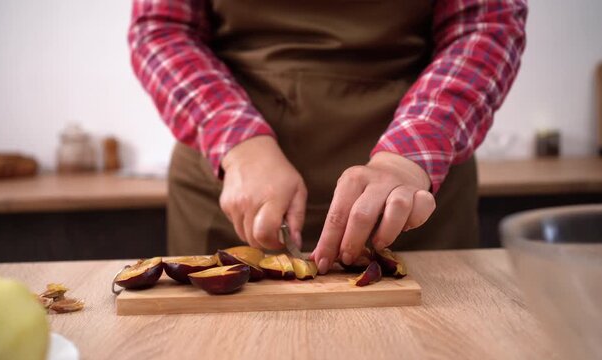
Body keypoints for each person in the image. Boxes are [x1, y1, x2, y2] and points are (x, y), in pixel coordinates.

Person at [129, 0, 527, 274]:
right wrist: (237, 141)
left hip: (413, 193)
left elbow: (485, 25)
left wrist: (408, 154)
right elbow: (163, 28)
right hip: (229, 184)